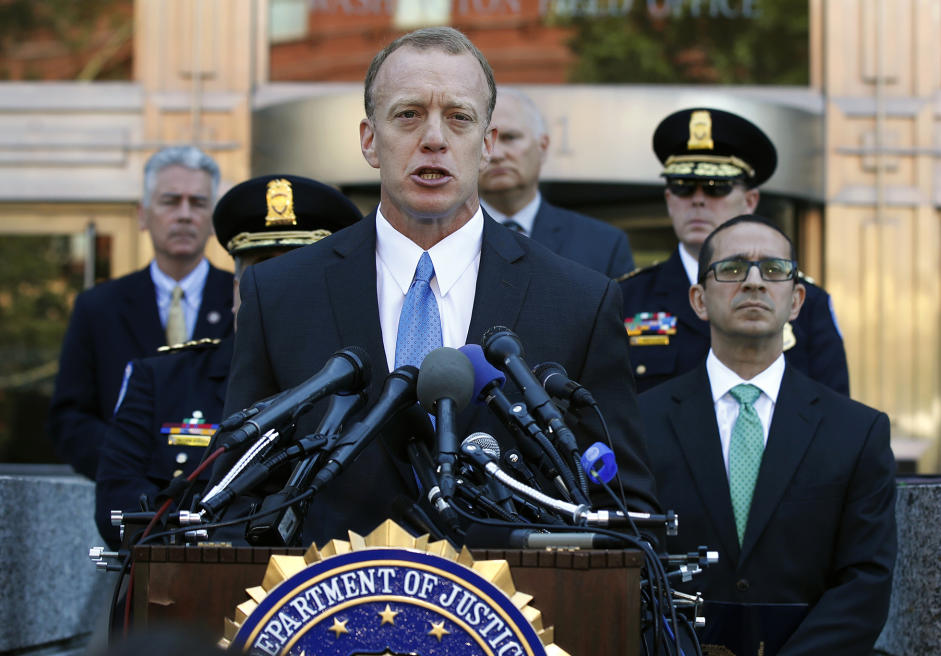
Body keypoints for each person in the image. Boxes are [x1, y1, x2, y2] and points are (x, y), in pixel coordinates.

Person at [214, 26, 660, 548]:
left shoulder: (580, 301)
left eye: (458, 117)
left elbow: (622, 510)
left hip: (515, 620)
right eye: (408, 115)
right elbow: (235, 494)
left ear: (487, 143)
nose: (434, 138)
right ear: (368, 140)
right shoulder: (280, 293)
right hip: (325, 616)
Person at [637, 214, 896, 654]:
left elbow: (864, 581)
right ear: (699, 300)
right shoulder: (641, 422)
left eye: (774, 270)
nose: (754, 282)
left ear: (796, 301)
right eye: (733, 269)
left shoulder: (857, 431)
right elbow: (632, 566)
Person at [94, 175, 362, 548]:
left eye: (299, 273)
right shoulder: (159, 379)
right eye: (264, 272)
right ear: (237, 287)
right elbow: (118, 508)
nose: (280, 291)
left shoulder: (364, 387)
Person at [619, 108, 849, 395]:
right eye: (683, 187)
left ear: (750, 200)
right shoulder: (627, 298)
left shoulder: (805, 301)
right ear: (668, 199)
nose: (698, 201)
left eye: (716, 187)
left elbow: (834, 413)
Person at [48, 146, 233, 479]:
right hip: (127, 501)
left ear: (213, 219)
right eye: (170, 201)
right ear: (142, 215)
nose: (185, 214)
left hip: (221, 503)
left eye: (199, 202)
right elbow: (69, 420)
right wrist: (134, 461)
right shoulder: (98, 306)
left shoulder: (244, 300)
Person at [478, 88, 634, 277]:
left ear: (542, 146)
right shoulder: (441, 238)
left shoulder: (603, 245)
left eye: (510, 138)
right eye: (483, 141)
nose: (496, 154)